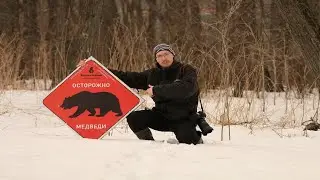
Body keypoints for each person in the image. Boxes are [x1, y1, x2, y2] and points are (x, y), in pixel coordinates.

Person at [77, 43, 212, 145]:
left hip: (183, 118)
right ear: (156, 59)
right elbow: (127, 77)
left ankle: (196, 137)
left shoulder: (187, 70)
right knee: (135, 118)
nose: (163, 58)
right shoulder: (152, 74)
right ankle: (149, 145)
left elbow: (185, 88)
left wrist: (156, 90)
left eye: (166, 54)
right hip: (161, 117)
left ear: (173, 55)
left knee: (187, 140)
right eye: (159, 56)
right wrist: (95, 68)